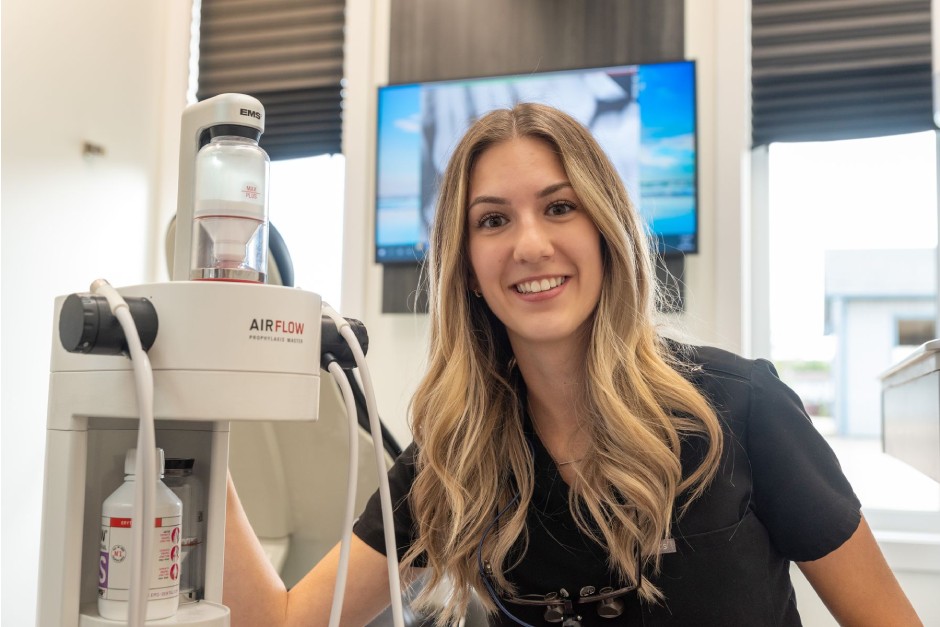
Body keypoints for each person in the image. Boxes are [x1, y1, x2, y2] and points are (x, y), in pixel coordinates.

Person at [223, 103, 922, 626]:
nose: (530, 245)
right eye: (492, 220)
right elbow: (288, 621)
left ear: (607, 233)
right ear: (466, 268)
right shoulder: (455, 459)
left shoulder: (741, 408)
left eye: (560, 207)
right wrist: (196, 421)